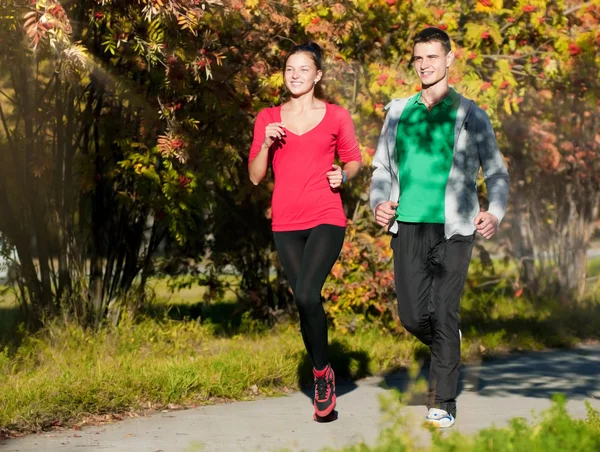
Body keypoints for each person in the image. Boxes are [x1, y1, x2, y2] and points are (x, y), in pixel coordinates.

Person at [369, 27, 509, 428]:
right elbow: (382, 167)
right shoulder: (398, 111)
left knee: (444, 312)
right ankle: (450, 347)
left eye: (433, 56)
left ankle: (443, 401)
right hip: (408, 224)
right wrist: (379, 202)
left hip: (455, 228)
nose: (425, 64)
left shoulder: (470, 114)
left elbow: (496, 172)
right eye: (419, 58)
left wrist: (495, 212)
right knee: (412, 316)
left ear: (450, 59)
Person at [248, 43, 363, 421]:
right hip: (285, 222)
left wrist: (342, 174)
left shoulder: (335, 116)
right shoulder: (267, 117)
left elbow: (354, 159)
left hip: (326, 216)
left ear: (318, 76)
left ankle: (321, 378)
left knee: (309, 292)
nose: (294, 75)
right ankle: (322, 369)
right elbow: (255, 175)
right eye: (289, 69)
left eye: (303, 69)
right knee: (304, 301)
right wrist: (266, 142)